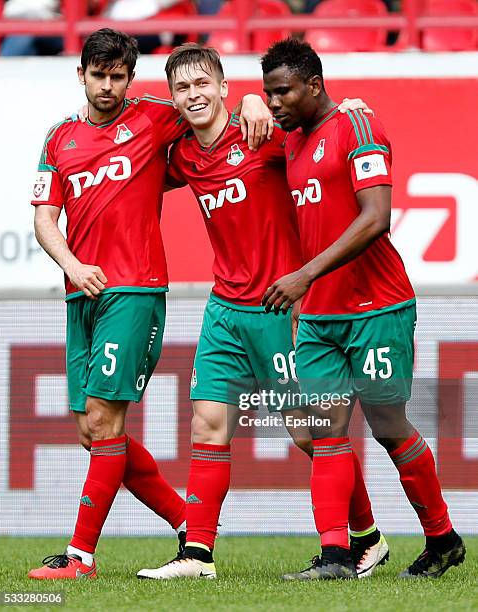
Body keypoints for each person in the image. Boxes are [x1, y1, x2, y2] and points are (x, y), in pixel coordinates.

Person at [137, 43, 388, 581]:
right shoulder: (182, 157)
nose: (194, 95)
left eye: (203, 84)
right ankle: (196, 554)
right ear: (175, 100)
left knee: (308, 433)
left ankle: (365, 539)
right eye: (183, 89)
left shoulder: (264, 134)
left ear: (224, 88)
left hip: (280, 305)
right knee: (208, 424)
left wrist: (352, 110)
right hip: (225, 307)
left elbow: (324, 135)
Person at [27, 28, 272, 580]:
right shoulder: (59, 139)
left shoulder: (154, 117)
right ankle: (189, 523)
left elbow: (210, 108)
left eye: (119, 76)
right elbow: (45, 216)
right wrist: (72, 265)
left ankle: (80, 557)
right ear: (81, 74)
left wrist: (254, 98)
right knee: (92, 432)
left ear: (129, 79)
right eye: (99, 75)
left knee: (103, 419)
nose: (109, 86)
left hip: (135, 290)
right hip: (81, 292)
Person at [261, 38, 465, 580]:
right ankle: (337, 555)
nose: (275, 103)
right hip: (322, 317)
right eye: (268, 94)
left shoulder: (358, 127)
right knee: (323, 429)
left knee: (387, 424)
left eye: (283, 92)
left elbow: (377, 217)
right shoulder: (292, 143)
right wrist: (250, 105)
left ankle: (442, 537)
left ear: (315, 86)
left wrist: (304, 274)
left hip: (378, 306)